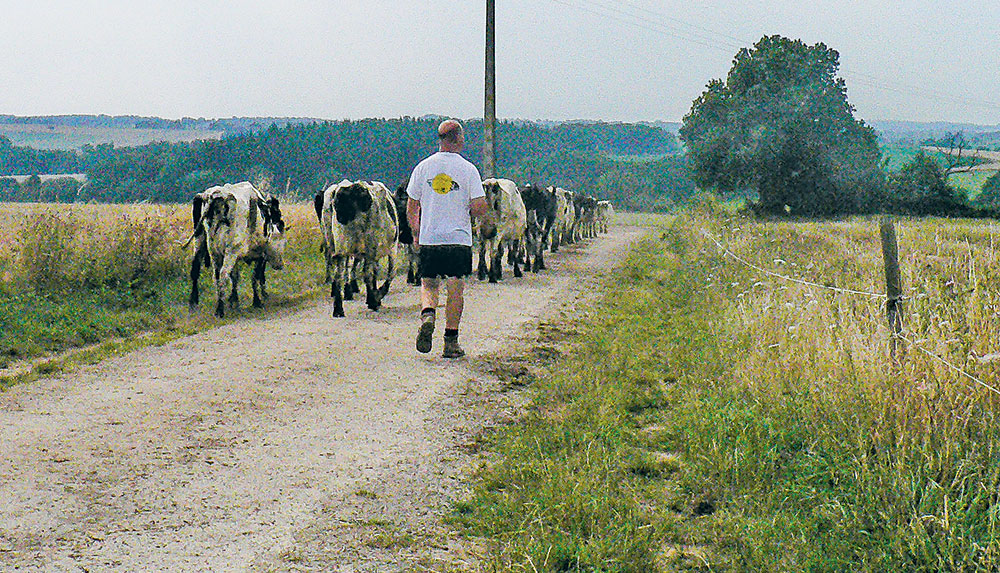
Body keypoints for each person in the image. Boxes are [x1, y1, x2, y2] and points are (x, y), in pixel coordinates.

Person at [405, 119, 488, 358]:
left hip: (431, 237)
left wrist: (416, 234)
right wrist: (472, 212)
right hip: (458, 239)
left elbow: (412, 206)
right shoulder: (468, 169)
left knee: (429, 283)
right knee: (455, 289)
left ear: (440, 139)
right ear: (459, 139)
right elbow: (479, 206)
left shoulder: (423, 167)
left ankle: (428, 313)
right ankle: (450, 342)